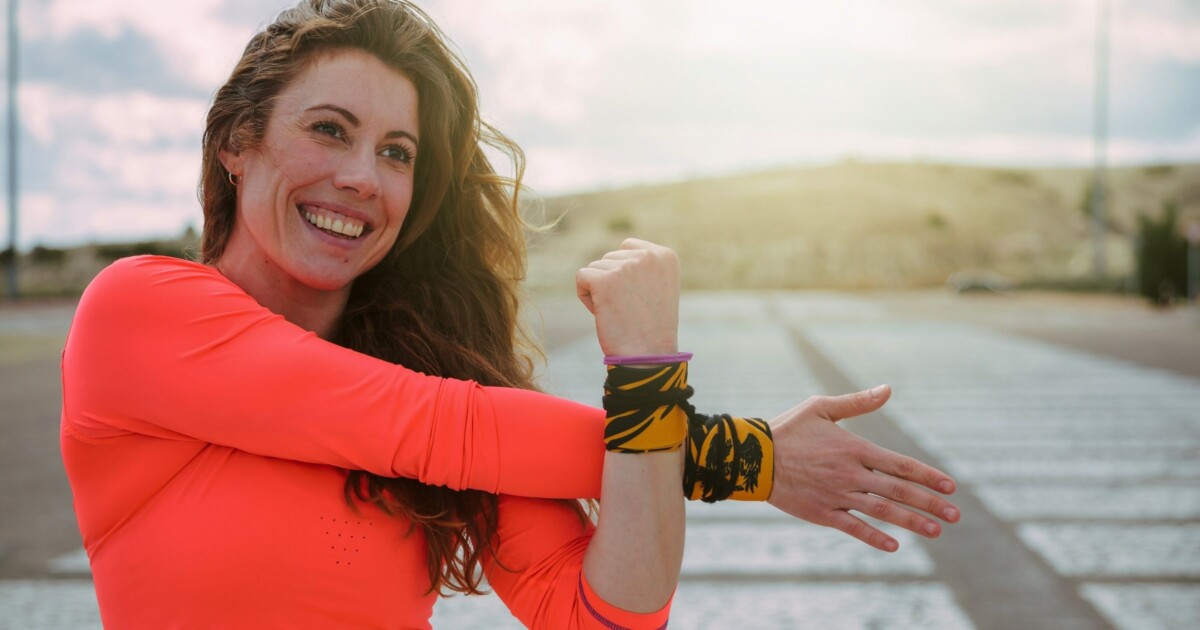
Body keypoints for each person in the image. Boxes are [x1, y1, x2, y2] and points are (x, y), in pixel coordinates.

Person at [59, 1, 960, 628]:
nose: (364, 178)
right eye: (329, 130)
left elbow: (605, 616)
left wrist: (645, 364)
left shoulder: (447, 391)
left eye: (398, 152)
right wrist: (742, 458)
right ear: (235, 144)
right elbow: (428, 427)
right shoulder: (139, 311)